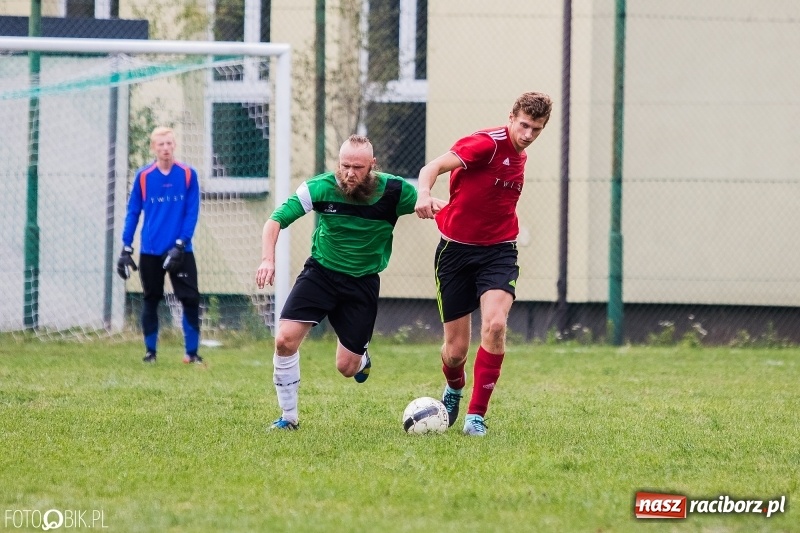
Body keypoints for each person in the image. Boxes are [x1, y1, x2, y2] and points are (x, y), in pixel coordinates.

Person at [256, 134, 445, 430]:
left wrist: (437, 207)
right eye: (344, 165)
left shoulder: (395, 190)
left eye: (358, 167)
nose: (349, 173)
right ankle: (288, 418)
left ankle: (361, 359)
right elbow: (275, 220)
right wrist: (268, 259)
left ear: (372, 165)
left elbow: (436, 206)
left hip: (362, 283)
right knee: (284, 340)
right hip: (320, 273)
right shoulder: (319, 187)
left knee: (346, 368)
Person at [414, 92, 553, 436]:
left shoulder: (521, 154)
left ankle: (476, 416)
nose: (528, 135)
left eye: (536, 129)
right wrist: (423, 195)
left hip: (499, 251)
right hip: (455, 253)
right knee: (456, 352)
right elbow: (431, 168)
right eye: (523, 125)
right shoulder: (485, 144)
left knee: (494, 326)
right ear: (511, 117)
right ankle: (454, 388)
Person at [116, 126, 203, 365]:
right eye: (160, 144)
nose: (165, 148)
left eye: (169, 143)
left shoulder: (187, 174)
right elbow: (133, 212)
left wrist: (180, 243)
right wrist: (126, 246)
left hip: (180, 250)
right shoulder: (144, 176)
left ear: (174, 145)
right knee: (151, 298)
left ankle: (192, 353)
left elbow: (192, 212)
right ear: (153, 148)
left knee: (190, 299)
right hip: (150, 250)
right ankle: (150, 352)